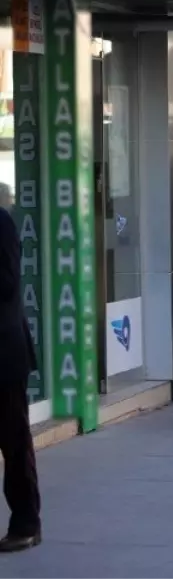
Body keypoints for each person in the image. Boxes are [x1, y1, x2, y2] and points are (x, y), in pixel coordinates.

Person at [0, 206, 39, 552]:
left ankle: (26, 523)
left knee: (14, 443)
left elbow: (8, 282)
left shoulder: (2, 222)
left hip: (4, 356)